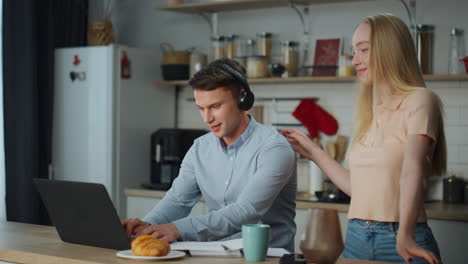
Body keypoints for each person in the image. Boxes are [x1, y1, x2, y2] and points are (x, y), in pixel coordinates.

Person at [282, 14, 445, 264]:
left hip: (401, 239)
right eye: (353, 51)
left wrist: (406, 235)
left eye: (363, 50)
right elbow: (358, 189)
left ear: (389, 51)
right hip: (357, 237)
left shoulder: (420, 100)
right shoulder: (371, 111)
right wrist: (314, 152)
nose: (354, 60)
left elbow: (412, 172)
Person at [122, 59, 297, 251]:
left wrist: (177, 229)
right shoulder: (200, 148)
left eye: (215, 106)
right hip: (216, 255)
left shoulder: (274, 148)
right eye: (201, 108)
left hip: (268, 257)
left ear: (242, 98)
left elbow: (247, 211)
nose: (207, 118)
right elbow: (178, 200)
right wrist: (146, 227)